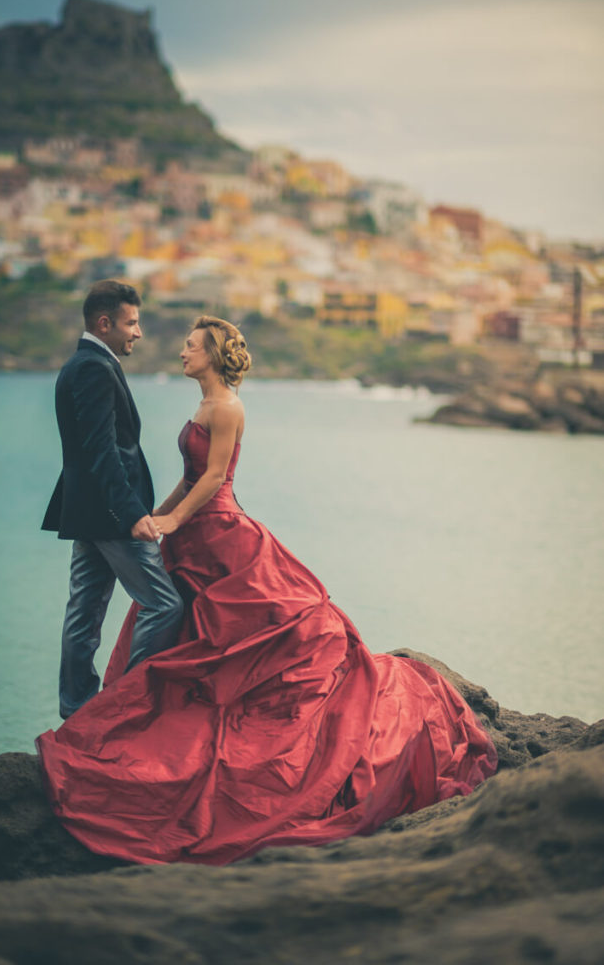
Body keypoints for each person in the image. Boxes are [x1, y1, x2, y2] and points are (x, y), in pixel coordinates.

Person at [37, 315, 497, 865]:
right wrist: (158, 520)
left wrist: (176, 519)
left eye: (190, 346)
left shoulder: (228, 406)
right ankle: (141, 713)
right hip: (192, 535)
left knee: (252, 636)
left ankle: (147, 716)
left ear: (212, 355)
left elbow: (212, 480)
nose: (181, 352)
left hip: (224, 531)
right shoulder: (203, 406)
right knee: (181, 624)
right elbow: (189, 476)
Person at [41, 279, 183, 720]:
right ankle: (122, 707)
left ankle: (77, 710)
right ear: (105, 324)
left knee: (84, 612)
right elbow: (101, 450)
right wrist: (131, 513)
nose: (138, 332)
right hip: (110, 515)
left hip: (90, 513)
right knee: (164, 604)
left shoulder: (85, 364)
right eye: (132, 322)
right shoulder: (93, 369)